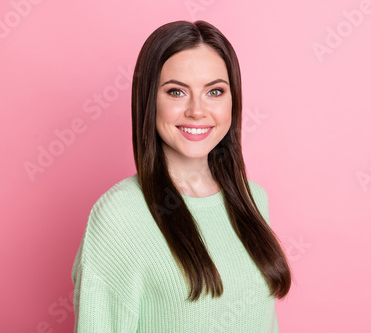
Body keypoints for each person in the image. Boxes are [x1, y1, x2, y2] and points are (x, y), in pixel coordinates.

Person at [71, 20, 291, 332]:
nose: (197, 111)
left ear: (233, 100)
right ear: (149, 101)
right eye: (176, 92)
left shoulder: (254, 198)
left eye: (214, 91)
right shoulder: (120, 216)